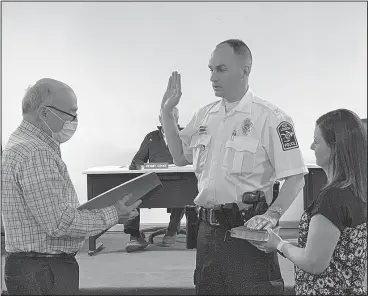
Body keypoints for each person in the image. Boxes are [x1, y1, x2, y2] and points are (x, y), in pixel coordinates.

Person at [160, 39, 308, 295]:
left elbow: (296, 178)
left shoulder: (271, 118)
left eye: (221, 69)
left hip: (247, 230)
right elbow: (180, 157)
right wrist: (167, 114)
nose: (212, 77)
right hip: (208, 232)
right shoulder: (205, 115)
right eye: (210, 70)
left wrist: (272, 215)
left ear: (245, 70)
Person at [1, 78, 141, 295]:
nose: (74, 121)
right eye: (70, 113)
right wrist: (114, 213)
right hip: (43, 271)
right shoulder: (35, 152)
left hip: (34, 268)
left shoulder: (21, 144)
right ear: (44, 113)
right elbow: (59, 224)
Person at [253, 109, 367, 295]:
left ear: (335, 147)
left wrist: (279, 244)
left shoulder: (332, 199)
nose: (312, 147)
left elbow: (314, 263)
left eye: (316, 141)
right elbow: (330, 246)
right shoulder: (354, 191)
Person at [124, 108, 185, 252]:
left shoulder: (185, 135)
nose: (168, 121)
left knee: (183, 192)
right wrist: (142, 166)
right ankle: (134, 235)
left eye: (172, 118)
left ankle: (172, 230)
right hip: (154, 181)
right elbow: (137, 161)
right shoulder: (151, 137)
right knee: (132, 193)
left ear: (177, 119)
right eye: (165, 118)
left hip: (179, 180)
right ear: (160, 119)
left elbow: (196, 157)